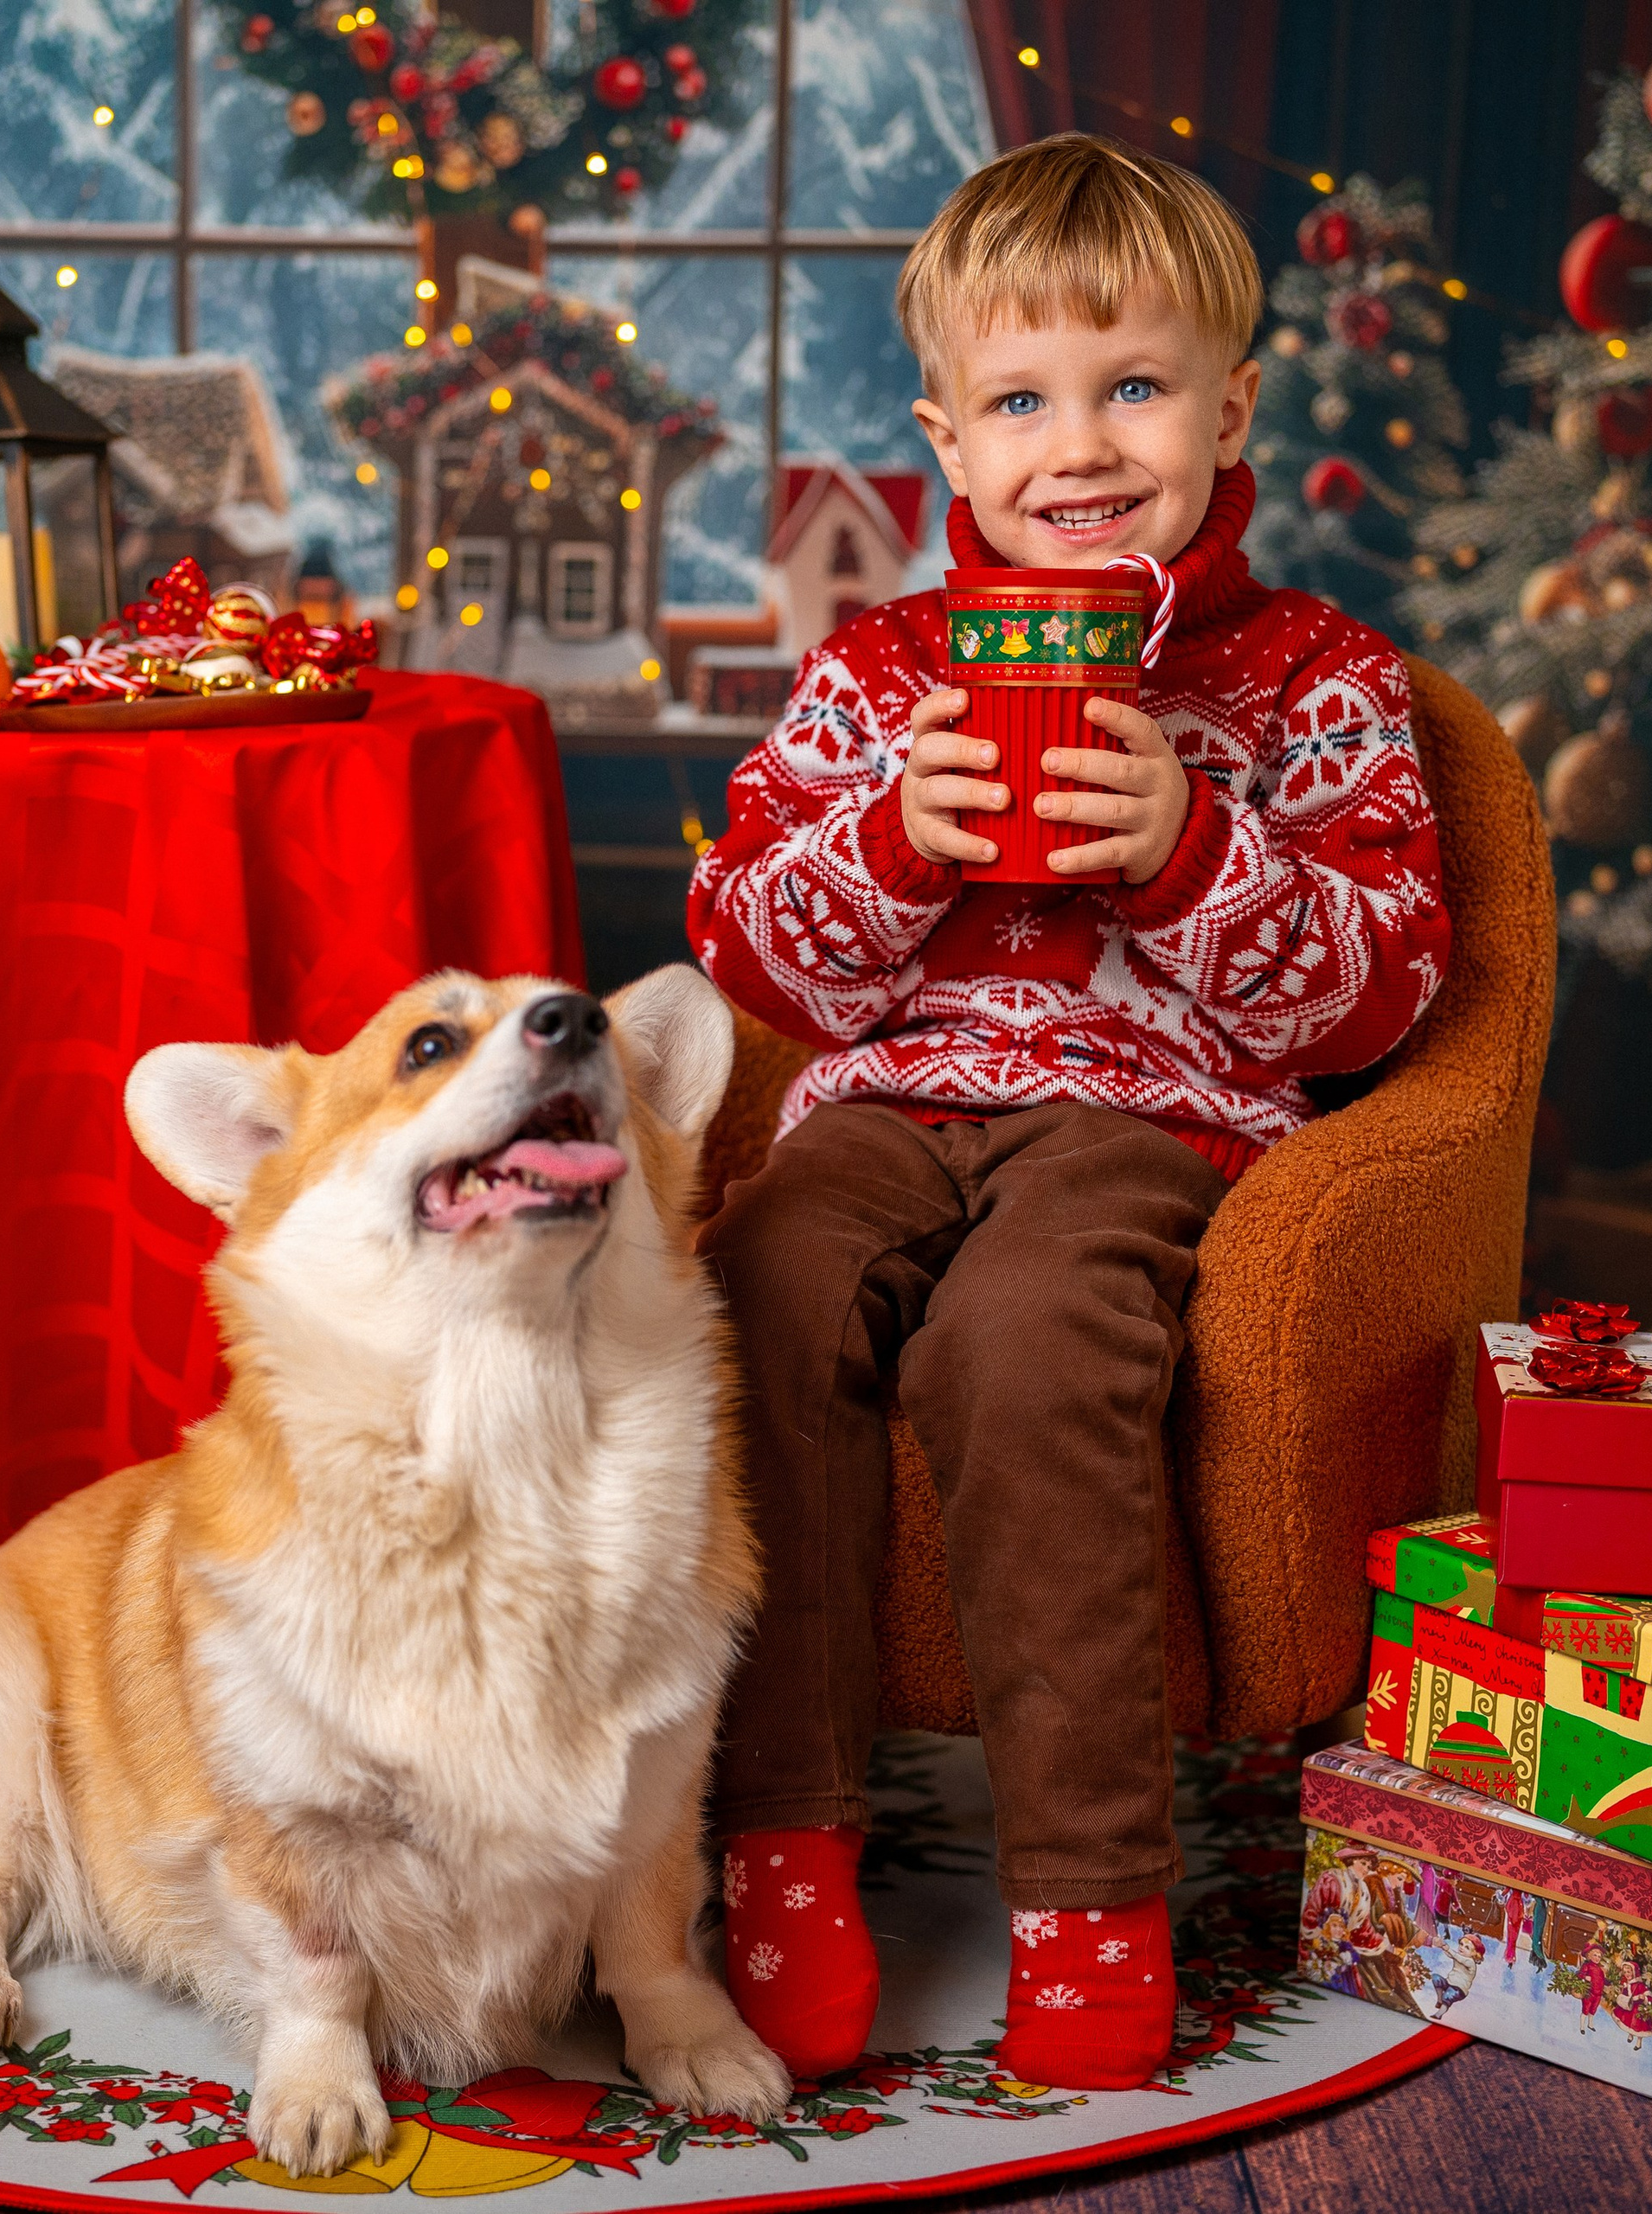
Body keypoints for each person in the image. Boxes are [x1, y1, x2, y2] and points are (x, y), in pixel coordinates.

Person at [689, 132, 1451, 2093]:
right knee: (756, 1291)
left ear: (1228, 405)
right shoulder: (873, 673)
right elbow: (755, 950)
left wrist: (1190, 846)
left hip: (1144, 1125)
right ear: (946, 442)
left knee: (1024, 1345)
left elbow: (1380, 989)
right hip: (881, 1104)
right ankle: (783, 1849)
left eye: (1131, 386)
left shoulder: (1312, 679)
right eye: (1020, 400)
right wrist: (894, 841)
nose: (1080, 444)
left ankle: (1089, 1895)